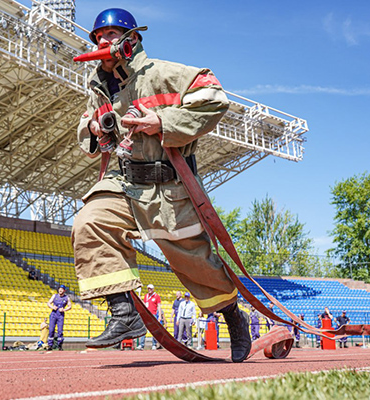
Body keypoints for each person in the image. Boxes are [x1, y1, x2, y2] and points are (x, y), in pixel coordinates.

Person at [71, 7, 251, 363]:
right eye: (99, 37)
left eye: (111, 35)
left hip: (168, 190)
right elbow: (86, 122)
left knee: (195, 264)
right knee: (89, 222)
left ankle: (233, 315)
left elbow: (215, 98)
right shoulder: (98, 85)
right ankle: (124, 315)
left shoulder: (164, 73)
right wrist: (93, 128)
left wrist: (162, 120)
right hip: (123, 182)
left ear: (132, 38)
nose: (104, 42)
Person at [47, 285, 72, 350]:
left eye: (62, 289)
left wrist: (64, 309)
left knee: (60, 331)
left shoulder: (66, 297)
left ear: (64, 290)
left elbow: (70, 306)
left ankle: (59, 345)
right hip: (53, 314)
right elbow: (48, 303)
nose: (60, 290)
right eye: (59, 289)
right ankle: (50, 345)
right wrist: (52, 307)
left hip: (60, 315)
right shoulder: (54, 296)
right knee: (51, 330)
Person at [143, 284, 163, 350]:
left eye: (150, 288)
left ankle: (154, 344)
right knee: (144, 329)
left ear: (153, 289)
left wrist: (159, 316)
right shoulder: (146, 296)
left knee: (154, 330)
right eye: (148, 288)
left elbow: (159, 306)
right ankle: (141, 344)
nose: (149, 290)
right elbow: (144, 304)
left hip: (153, 314)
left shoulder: (156, 296)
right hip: (146, 314)